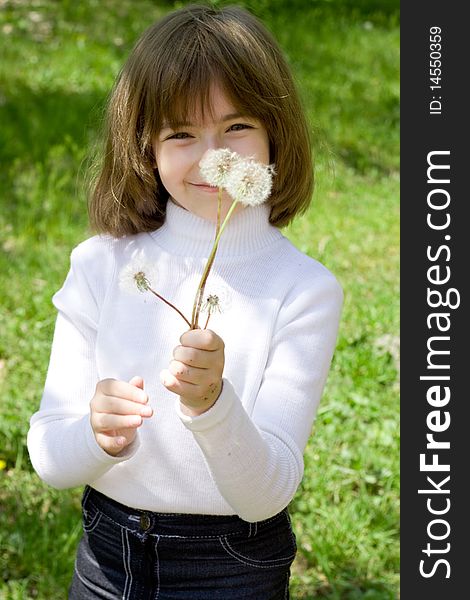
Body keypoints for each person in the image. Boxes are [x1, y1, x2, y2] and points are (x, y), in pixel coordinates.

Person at [27, 4, 343, 598]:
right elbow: (48, 455)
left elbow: (267, 492)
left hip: (232, 564)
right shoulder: (100, 264)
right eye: (180, 133)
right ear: (145, 146)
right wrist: (95, 434)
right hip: (107, 555)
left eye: (236, 128)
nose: (208, 157)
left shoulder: (303, 290)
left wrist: (213, 402)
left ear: (276, 133)